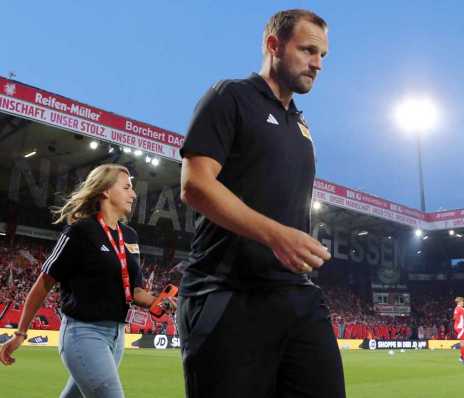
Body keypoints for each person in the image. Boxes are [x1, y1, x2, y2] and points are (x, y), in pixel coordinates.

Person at [176, 9, 344, 397]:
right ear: (273, 45)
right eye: (307, 50)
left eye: (322, 55)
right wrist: (276, 236)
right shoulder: (230, 97)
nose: (317, 63)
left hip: (296, 294)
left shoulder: (301, 125)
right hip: (228, 293)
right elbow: (196, 185)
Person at [0, 164, 175, 398]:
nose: (133, 194)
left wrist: (157, 301)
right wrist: (20, 333)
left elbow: (135, 290)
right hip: (83, 333)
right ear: (105, 191)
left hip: (117, 336)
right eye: (126, 187)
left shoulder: (130, 236)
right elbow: (43, 283)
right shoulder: (79, 232)